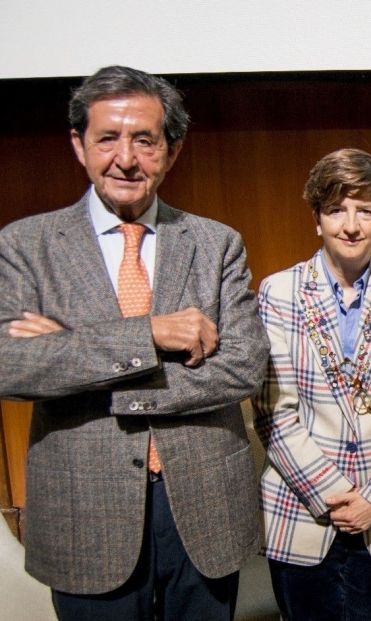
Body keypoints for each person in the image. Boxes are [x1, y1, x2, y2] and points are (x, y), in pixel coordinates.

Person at [0, 65, 269, 619]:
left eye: (145, 140)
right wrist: (147, 332)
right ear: (78, 145)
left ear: (171, 150)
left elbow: (243, 367)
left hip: (204, 507)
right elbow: (11, 366)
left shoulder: (216, 244)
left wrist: (77, 354)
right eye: (107, 138)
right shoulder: (26, 244)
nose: (126, 158)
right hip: (83, 509)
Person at [253, 148, 371, 620]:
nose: (351, 225)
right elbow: (273, 412)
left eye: (365, 211)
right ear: (317, 219)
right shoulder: (280, 293)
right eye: (336, 210)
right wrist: (335, 497)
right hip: (304, 511)